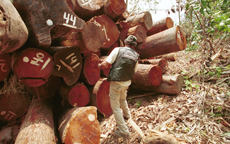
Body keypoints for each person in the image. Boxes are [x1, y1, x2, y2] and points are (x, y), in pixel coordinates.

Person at [99, 35, 139, 138]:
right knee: (122, 99)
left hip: (116, 82)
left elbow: (106, 64)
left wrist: (99, 65)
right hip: (127, 82)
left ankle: (124, 131)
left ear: (125, 43)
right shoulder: (136, 55)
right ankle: (127, 115)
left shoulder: (118, 50)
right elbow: (134, 71)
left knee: (115, 106)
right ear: (134, 46)